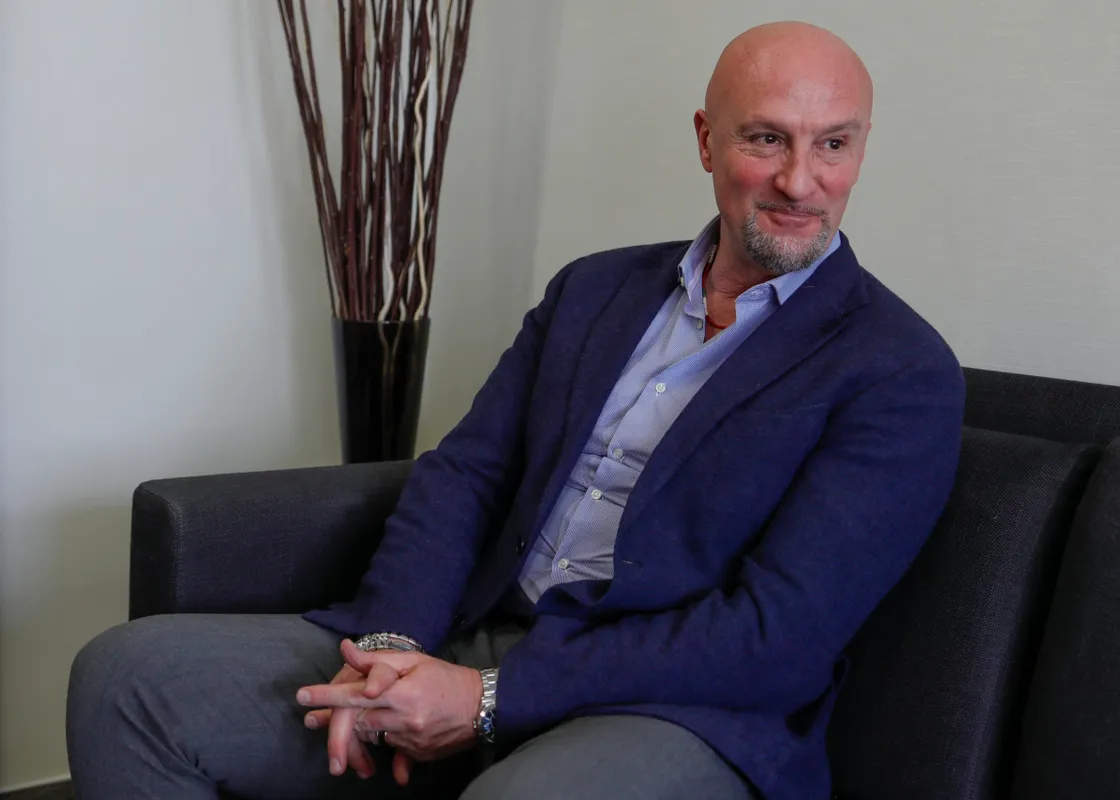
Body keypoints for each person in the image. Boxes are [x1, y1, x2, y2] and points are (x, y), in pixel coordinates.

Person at [67, 20, 965, 800]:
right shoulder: (594, 290)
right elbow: (468, 473)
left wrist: (489, 699)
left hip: (673, 709)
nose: (801, 181)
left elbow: (775, 637)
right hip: (468, 635)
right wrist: (391, 649)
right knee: (128, 680)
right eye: (766, 139)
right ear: (705, 139)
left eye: (833, 144)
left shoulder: (898, 370)